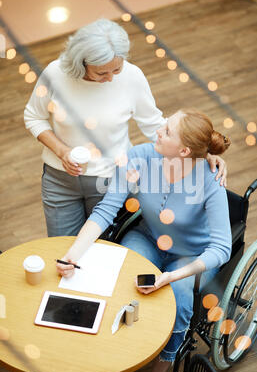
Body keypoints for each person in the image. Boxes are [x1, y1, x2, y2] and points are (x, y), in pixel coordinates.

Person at [56, 108, 232, 372]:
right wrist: (72, 255)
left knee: (178, 296)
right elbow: (107, 209)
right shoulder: (139, 157)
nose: (157, 131)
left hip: (192, 254)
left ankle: (160, 369)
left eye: (166, 131)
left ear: (184, 150)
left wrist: (172, 277)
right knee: (122, 278)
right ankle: (111, 356)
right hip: (149, 237)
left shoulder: (210, 182)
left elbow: (222, 247)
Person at [24, 18, 228, 241]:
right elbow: (34, 117)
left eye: (117, 69)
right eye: (102, 73)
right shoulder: (55, 74)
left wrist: (201, 152)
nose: (111, 78)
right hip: (59, 181)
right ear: (80, 63)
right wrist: (62, 151)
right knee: (61, 250)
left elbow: (154, 124)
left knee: (104, 250)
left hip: (111, 182)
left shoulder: (131, 77)